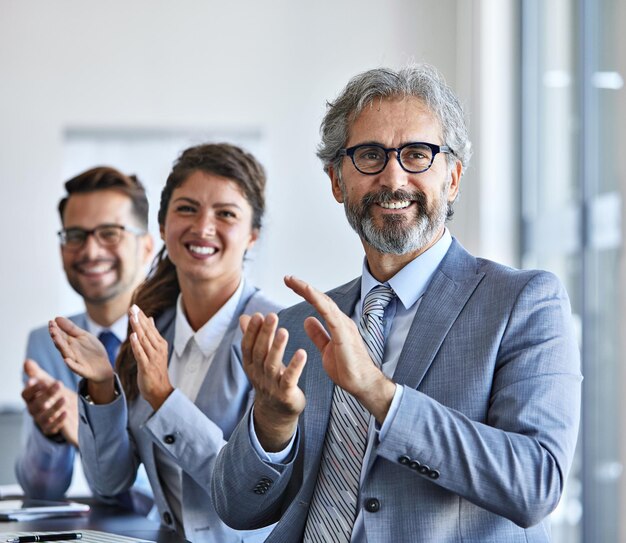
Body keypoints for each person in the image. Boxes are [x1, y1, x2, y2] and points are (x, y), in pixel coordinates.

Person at [210, 65, 582, 542]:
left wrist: (379, 394)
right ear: (337, 181)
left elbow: (535, 484)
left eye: (417, 154)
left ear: (452, 177)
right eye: (369, 155)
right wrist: (273, 422)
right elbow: (238, 509)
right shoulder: (302, 325)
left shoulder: (523, 303)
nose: (393, 177)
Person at [48, 143, 280, 543]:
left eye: (225, 214)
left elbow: (251, 496)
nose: (203, 228)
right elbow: (109, 484)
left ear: (252, 236)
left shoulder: (275, 332)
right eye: (187, 209)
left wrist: (164, 397)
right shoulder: (151, 328)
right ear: (162, 225)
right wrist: (103, 388)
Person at [15, 166, 154, 505]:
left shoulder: (169, 339)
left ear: (147, 247)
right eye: (75, 235)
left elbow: (184, 488)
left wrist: (88, 433)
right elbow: (41, 490)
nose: (90, 252)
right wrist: (52, 434)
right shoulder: (48, 342)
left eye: (110, 233)